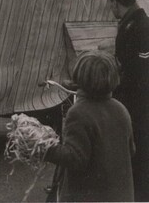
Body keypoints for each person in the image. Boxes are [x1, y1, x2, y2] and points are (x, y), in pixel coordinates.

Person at [43, 51, 134, 202]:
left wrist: (45, 148)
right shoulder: (121, 109)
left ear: (80, 77)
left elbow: (75, 159)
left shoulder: (78, 112)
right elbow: (131, 150)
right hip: (120, 195)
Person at [102, 0, 149, 201]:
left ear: (114, 1)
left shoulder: (138, 27)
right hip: (137, 106)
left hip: (137, 108)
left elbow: (136, 73)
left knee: (138, 163)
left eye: (109, 2)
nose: (109, 8)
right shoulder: (135, 23)